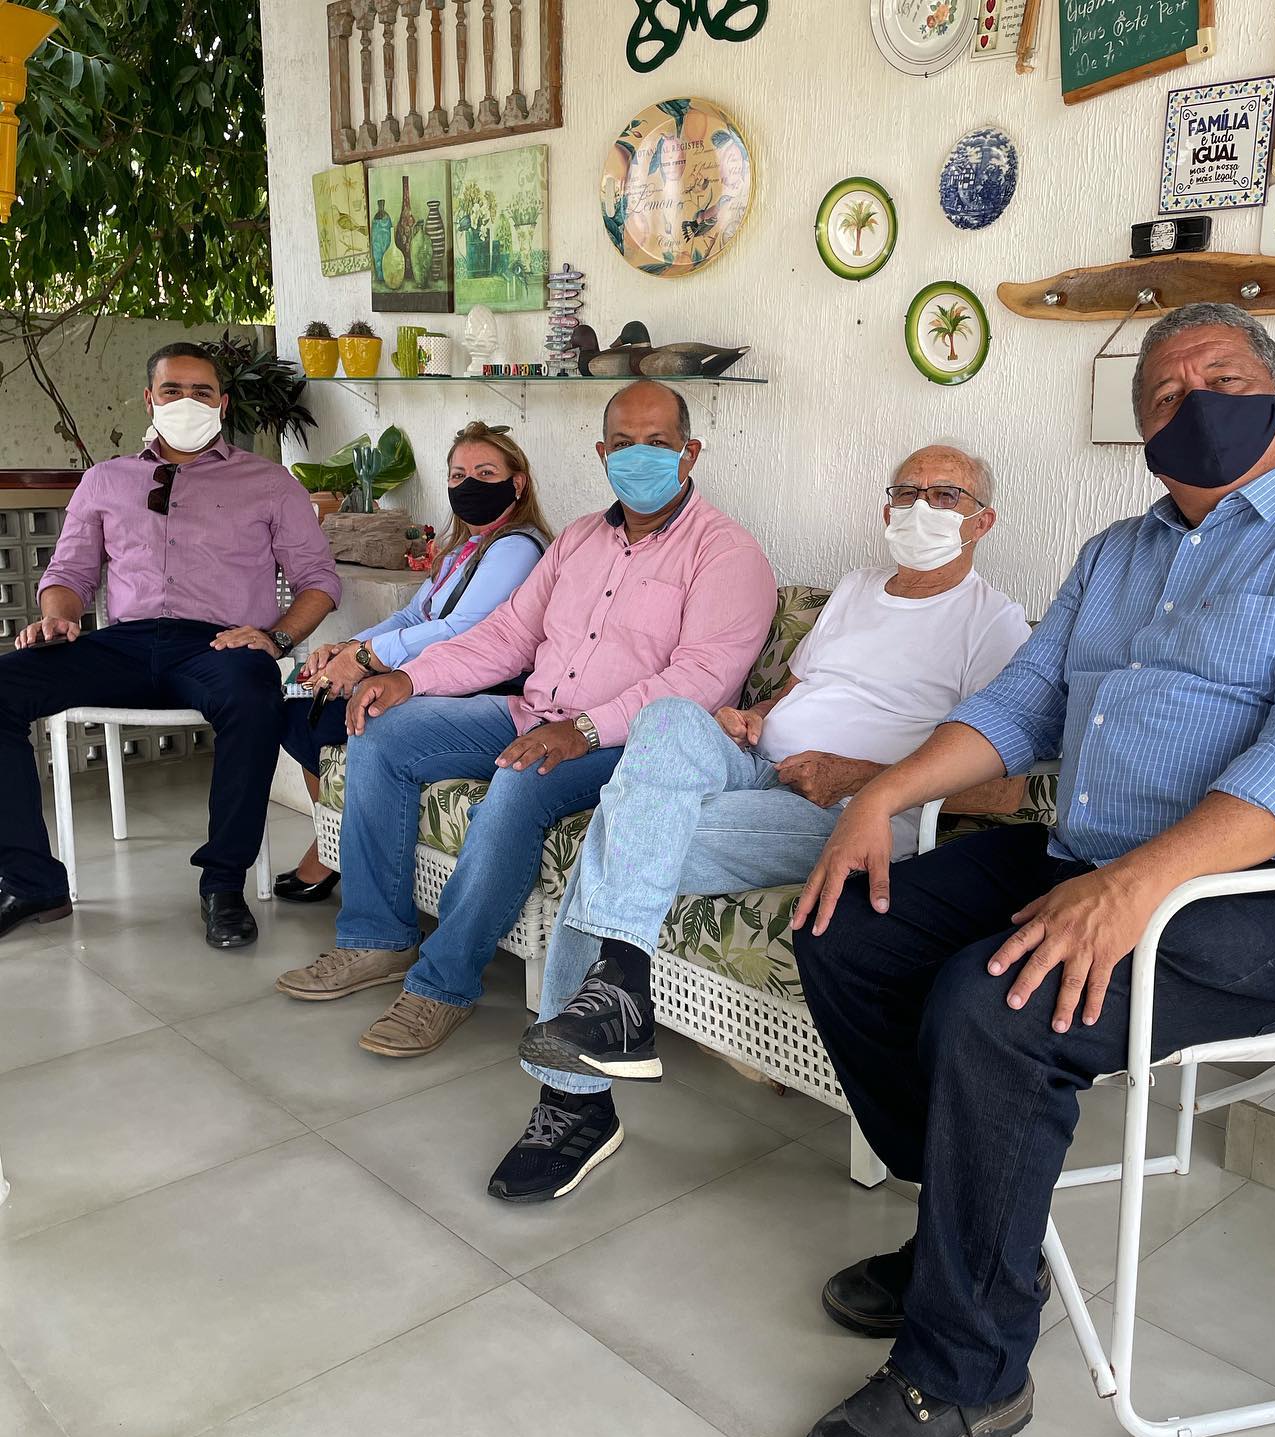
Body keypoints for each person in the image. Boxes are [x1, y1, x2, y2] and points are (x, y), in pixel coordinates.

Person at [790, 304, 1275, 1437]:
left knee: (997, 1000)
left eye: (1223, 380)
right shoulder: (1115, 555)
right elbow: (1019, 705)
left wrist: (1138, 888)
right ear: (1142, 431)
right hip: (1087, 856)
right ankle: (970, 1238)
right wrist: (882, 796)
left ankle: (968, 1374)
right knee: (846, 925)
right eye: (1165, 395)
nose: (1195, 405)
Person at [491, 444, 1033, 1204]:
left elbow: (1004, 790)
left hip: (850, 812)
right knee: (668, 717)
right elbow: (804, 690)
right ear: (885, 508)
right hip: (760, 764)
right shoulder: (856, 589)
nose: (921, 507)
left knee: (620, 832)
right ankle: (618, 1005)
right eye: (907, 490)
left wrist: (855, 778)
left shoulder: (994, 624)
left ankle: (574, 1102)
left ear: (982, 521)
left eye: (946, 495)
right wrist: (752, 718)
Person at [274, 380, 777, 1065]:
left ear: (689, 454)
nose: (639, 456)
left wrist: (583, 730)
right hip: (533, 711)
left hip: (630, 744)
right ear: (602, 453)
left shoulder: (727, 553)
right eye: (624, 443)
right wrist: (410, 677)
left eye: (658, 443)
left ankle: (443, 984)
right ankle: (377, 939)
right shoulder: (578, 541)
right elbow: (508, 637)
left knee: (520, 776)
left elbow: (698, 682)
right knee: (385, 728)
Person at [0, 342, 341, 949]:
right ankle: (32, 884)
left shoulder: (268, 483)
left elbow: (319, 581)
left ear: (223, 403)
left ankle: (223, 884)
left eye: (202, 391)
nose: (188, 401)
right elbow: (69, 574)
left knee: (255, 694)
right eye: (173, 390)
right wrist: (57, 619)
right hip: (123, 645)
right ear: (149, 399)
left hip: (219, 646)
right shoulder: (105, 480)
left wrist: (276, 637)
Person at [273, 420, 552, 902]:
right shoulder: (462, 549)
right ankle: (332, 839)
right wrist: (347, 648)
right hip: (432, 672)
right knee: (302, 704)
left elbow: (462, 630)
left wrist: (365, 659)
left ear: (518, 483)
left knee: (319, 716)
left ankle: (331, 849)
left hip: (481, 684)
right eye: (459, 475)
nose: (469, 485)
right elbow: (413, 615)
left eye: (486, 473)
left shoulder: (517, 548)